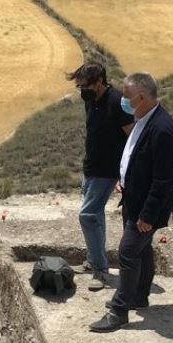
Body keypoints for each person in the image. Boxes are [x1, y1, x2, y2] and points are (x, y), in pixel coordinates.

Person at [90, 72, 173, 333]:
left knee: (128, 252)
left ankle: (119, 311)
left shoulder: (163, 129)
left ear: (141, 97)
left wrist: (148, 216)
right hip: (134, 199)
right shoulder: (143, 118)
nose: (123, 100)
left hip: (147, 208)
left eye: (127, 97)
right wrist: (124, 180)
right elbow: (137, 158)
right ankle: (139, 296)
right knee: (141, 250)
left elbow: (163, 180)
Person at [67, 62, 134, 291]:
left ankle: (101, 271)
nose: (81, 90)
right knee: (96, 217)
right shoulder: (90, 101)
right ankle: (94, 261)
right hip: (91, 167)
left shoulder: (117, 102)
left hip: (108, 170)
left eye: (84, 86)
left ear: (99, 82)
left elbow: (132, 137)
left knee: (87, 215)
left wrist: (125, 173)